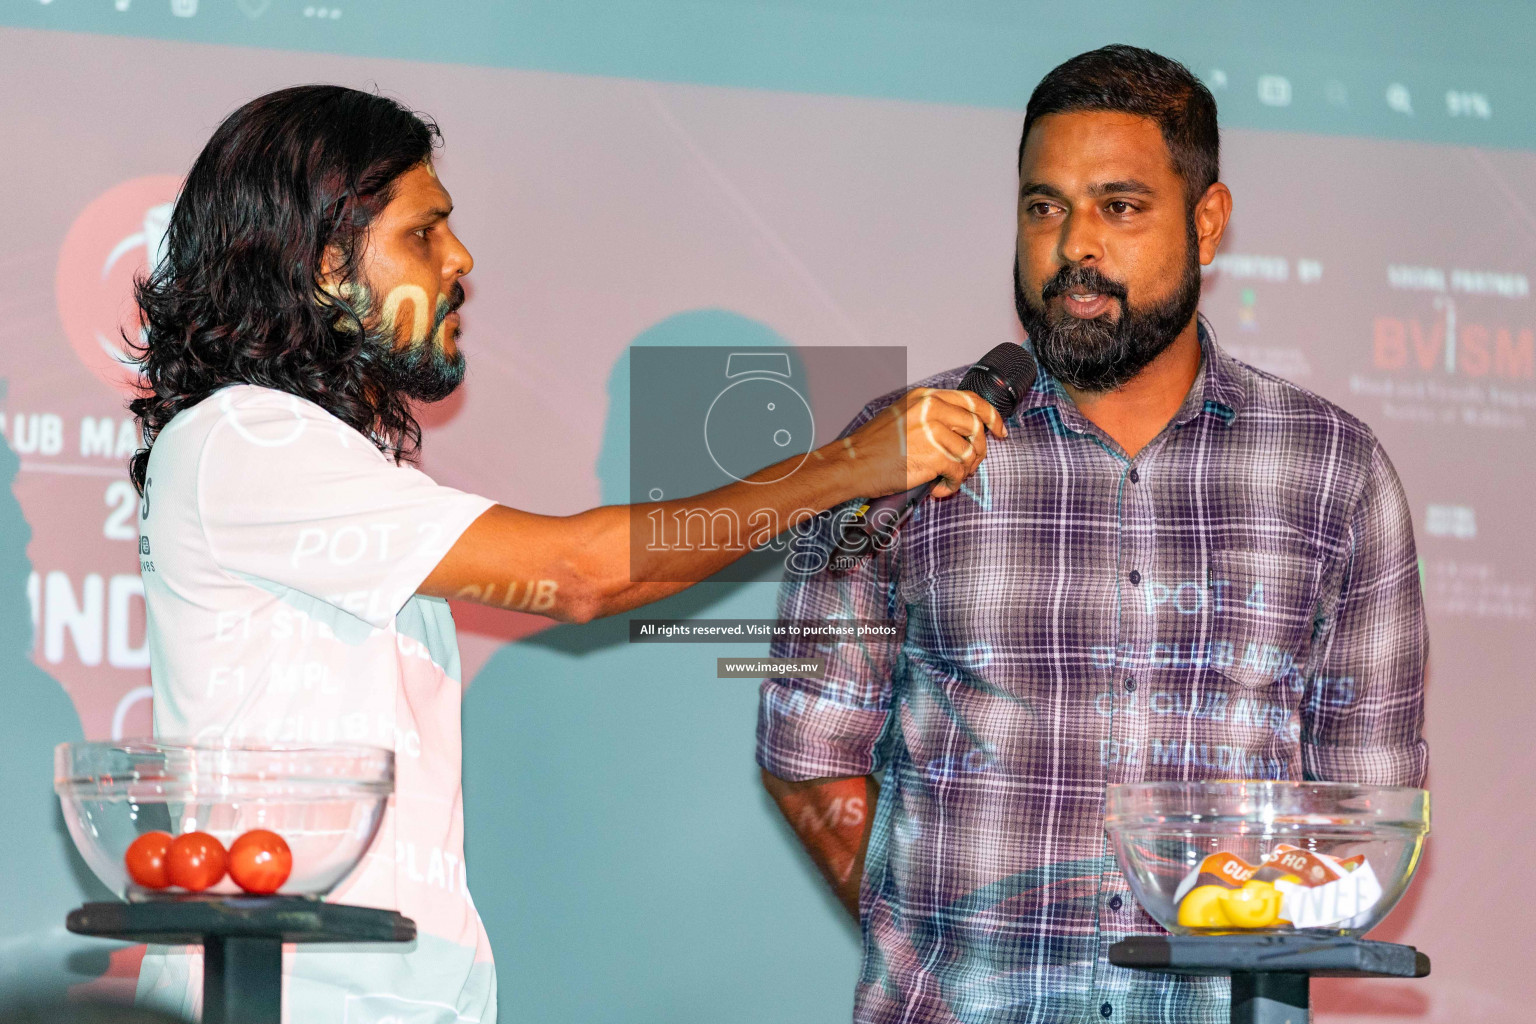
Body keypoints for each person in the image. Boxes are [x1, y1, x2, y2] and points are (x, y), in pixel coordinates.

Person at [127, 84, 1004, 1023]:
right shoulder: (243, 440)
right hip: (281, 998)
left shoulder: (320, 459)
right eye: (426, 233)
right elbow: (579, 574)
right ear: (322, 264)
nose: (461, 260)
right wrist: (845, 465)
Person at [758, 45, 1427, 1024]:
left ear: (1207, 221)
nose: (1075, 244)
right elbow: (806, 748)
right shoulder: (891, 453)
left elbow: (1369, 812)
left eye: (1119, 207)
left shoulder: (1332, 470)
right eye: (1044, 207)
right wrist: (932, 935)